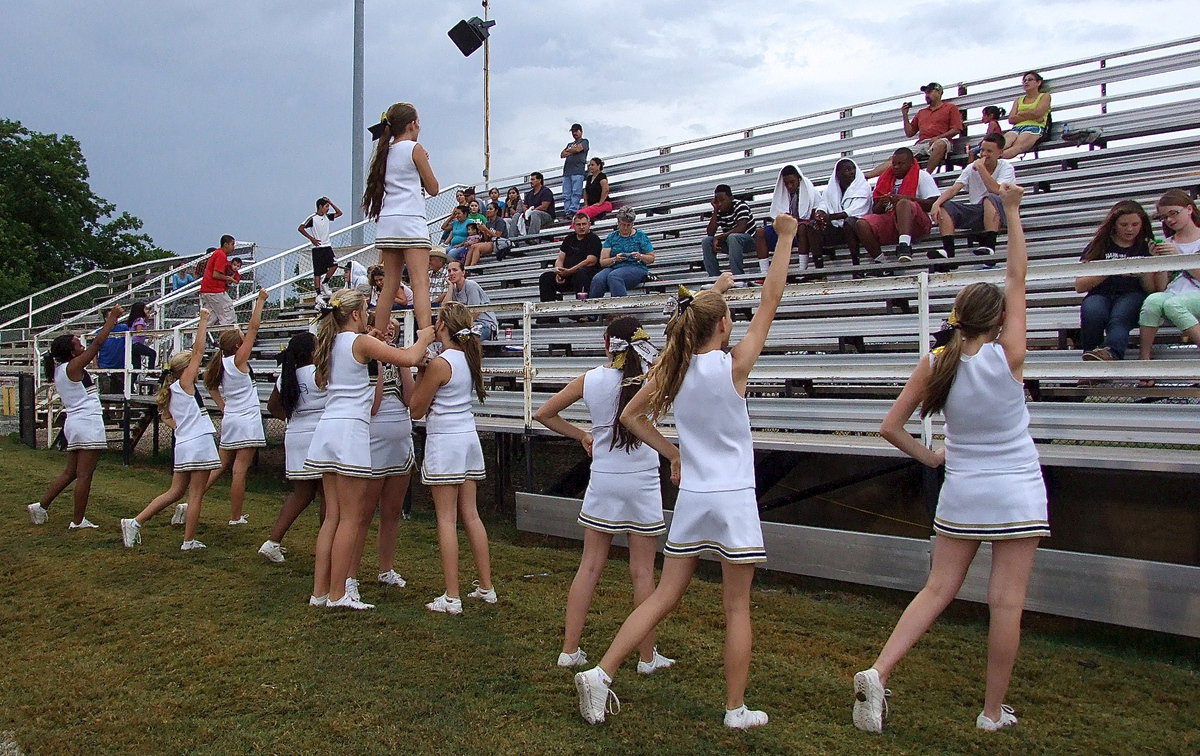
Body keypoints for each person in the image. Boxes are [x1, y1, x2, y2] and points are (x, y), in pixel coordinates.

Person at [573, 214, 799, 730]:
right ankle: (735, 708)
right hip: (734, 495)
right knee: (737, 607)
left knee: (665, 595)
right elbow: (771, 299)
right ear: (722, 326)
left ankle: (602, 670)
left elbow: (632, 417)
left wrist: (673, 453)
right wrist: (784, 238)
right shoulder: (734, 364)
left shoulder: (671, 369)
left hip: (694, 493)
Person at [852, 184, 1046, 736]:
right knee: (1005, 604)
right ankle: (991, 714)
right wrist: (1010, 211)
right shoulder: (1009, 354)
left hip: (962, 486)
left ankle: (880, 669)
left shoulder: (935, 361)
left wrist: (932, 458)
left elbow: (890, 428)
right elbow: (1017, 276)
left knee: (937, 590)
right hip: (1016, 489)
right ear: (998, 319)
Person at [534, 317, 675, 674]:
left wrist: (582, 434)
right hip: (641, 478)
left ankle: (569, 650)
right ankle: (646, 657)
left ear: (606, 343)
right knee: (642, 571)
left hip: (604, 478)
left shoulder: (591, 378)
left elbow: (544, 413)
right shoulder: (650, 379)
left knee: (590, 565)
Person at [304, 288, 434, 609]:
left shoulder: (333, 340)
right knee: (349, 518)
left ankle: (320, 592)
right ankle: (337, 594)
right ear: (358, 315)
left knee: (332, 518)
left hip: (328, 429)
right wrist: (425, 336)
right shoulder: (359, 342)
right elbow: (409, 357)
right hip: (350, 432)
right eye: (366, 309)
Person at [409, 301, 495, 614]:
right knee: (470, 514)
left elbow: (416, 408)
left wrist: (419, 372)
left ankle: (452, 596)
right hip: (468, 438)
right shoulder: (467, 357)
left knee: (446, 519)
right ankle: (486, 587)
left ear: (444, 326)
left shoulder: (441, 363)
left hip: (445, 441)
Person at [120, 310, 218, 551]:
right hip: (198, 442)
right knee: (195, 495)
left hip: (185, 442)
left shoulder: (172, 389)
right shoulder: (185, 384)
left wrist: (183, 427)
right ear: (186, 369)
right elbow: (198, 350)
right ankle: (188, 541)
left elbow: (166, 418)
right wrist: (203, 321)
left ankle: (135, 521)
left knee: (175, 492)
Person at [29, 305, 124, 529]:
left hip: (74, 422)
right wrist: (111, 320)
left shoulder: (60, 370)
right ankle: (78, 520)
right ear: (71, 352)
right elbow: (98, 344)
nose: (82, 345)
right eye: (78, 343)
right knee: (84, 475)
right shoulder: (73, 366)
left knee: (71, 472)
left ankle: (41, 506)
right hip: (87, 422)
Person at [363, 102, 440, 332]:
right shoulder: (414, 149)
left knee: (389, 285)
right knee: (420, 282)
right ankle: (425, 334)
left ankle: (377, 334)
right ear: (412, 124)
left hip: (388, 221)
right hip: (411, 220)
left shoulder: (384, 151)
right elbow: (434, 188)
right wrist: (424, 159)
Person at [198, 289, 270, 527]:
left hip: (232, 418)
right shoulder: (238, 360)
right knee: (239, 470)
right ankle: (235, 516)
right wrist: (259, 301)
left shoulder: (222, 363)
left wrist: (224, 407)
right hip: (246, 420)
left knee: (219, 466)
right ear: (238, 344)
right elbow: (254, 328)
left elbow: (212, 388)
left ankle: (191, 500)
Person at [258, 332, 327, 563]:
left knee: (302, 493)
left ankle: (273, 541)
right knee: (329, 495)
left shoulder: (287, 375)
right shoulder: (320, 372)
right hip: (319, 435)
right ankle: (327, 548)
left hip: (296, 434)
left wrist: (292, 418)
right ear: (311, 352)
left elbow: (273, 406)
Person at [364, 316, 417, 589]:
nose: (389, 333)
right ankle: (348, 576)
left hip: (400, 441)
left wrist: (402, 361)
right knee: (361, 513)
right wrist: (381, 358)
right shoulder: (364, 359)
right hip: (372, 440)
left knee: (392, 511)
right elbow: (372, 406)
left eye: (393, 330)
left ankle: (386, 568)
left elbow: (411, 400)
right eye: (386, 328)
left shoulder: (399, 359)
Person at [1075, 200, 1157, 361]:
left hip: (1133, 293)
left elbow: (1151, 290)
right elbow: (1080, 285)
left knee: (1121, 316)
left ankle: (1111, 353)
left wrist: (1145, 270)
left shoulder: (1146, 246)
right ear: (1114, 224)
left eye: (1135, 224)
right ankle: (1091, 357)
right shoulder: (1100, 245)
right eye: (1124, 224)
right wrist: (1110, 270)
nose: (1130, 229)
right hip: (1101, 293)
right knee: (1092, 311)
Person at [928, 134, 1016, 260]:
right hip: (978, 211)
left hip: (1001, 211)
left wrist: (981, 169)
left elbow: (996, 190)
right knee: (945, 205)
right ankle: (948, 251)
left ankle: (990, 246)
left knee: (989, 198)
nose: (984, 154)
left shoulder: (1006, 167)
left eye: (989, 151)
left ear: (1000, 152)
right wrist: (937, 203)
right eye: (982, 150)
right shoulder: (971, 168)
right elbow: (954, 188)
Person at [1138, 190, 1200, 362]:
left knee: (1173, 304)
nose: (1170, 220)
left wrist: (1179, 257)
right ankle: (1144, 358)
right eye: (1164, 217)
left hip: (1193, 294)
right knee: (1152, 301)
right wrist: (1159, 262)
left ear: (1189, 209)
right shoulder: (1168, 243)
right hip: (1176, 292)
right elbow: (1160, 288)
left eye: (1174, 213)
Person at [855, 148, 940, 263]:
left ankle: (904, 246)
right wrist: (882, 203)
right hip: (892, 221)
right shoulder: (884, 179)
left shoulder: (922, 175)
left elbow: (933, 203)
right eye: (894, 164)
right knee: (861, 223)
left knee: (903, 203)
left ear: (911, 163)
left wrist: (905, 198)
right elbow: (875, 210)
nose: (896, 167)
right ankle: (881, 261)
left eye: (901, 164)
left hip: (917, 222)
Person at [867, 83, 964, 178]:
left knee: (940, 144)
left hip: (941, 141)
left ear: (939, 92)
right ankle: (868, 175)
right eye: (926, 93)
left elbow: (956, 129)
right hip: (921, 144)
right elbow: (909, 133)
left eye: (929, 92)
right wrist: (905, 115)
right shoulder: (921, 112)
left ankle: (926, 176)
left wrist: (938, 137)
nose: (927, 95)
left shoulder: (950, 108)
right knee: (897, 156)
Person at [752, 165, 819, 273]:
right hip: (784, 229)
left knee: (802, 228)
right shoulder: (782, 194)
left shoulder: (811, 192)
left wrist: (795, 219)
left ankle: (802, 270)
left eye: (792, 182)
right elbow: (775, 217)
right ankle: (764, 273)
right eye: (786, 183)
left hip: (802, 229)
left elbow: (814, 214)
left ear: (799, 179)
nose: (789, 186)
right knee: (760, 232)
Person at [814, 158, 872, 265]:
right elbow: (823, 204)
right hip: (837, 230)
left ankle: (856, 263)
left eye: (853, 169)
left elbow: (855, 211)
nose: (852, 172)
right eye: (847, 170)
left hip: (858, 230)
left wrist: (830, 217)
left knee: (848, 222)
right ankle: (818, 267)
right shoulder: (829, 191)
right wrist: (820, 213)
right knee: (813, 225)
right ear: (838, 174)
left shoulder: (863, 187)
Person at [590, 207, 656, 299]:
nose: (625, 228)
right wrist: (615, 259)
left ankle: (620, 310)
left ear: (632, 224)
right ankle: (594, 309)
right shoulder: (612, 237)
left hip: (636, 267)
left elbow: (651, 258)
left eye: (628, 225)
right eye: (623, 225)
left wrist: (639, 256)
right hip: (615, 266)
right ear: (618, 223)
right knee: (598, 279)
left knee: (615, 276)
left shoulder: (640, 236)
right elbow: (603, 261)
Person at [539, 212, 600, 304]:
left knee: (581, 273)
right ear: (573, 226)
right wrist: (559, 273)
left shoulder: (594, 239)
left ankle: (582, 311)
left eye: (584, 224)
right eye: (578, 224)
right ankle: (548, 314)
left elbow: (591, 261)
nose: (581, 227)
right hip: (567, 276)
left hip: (585, 276)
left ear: (589, 225)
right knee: (545, 277)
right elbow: (560, 258)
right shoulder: (569, 239)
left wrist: (570, 271)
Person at [702, 185, 755, 278]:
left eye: (722, 200)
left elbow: (741, 229)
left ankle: (738, 277)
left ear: (731, 198)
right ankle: (714, 277)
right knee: (707, 241)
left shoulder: (740, 205)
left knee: (733, 237)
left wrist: (718, 237)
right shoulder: (719, 210)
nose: (720, 204)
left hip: (750, 241)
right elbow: (710, 232)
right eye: (717, 202)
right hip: (731, 244)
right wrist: (715, 210)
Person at [299, 197, 344, 300]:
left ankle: (325, 282)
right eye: (326, 206)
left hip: (327, 246)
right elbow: (301, 228)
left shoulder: (327, 217)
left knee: (334, 265)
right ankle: (318, 293)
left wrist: (330, 202)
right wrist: (312, 239)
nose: (328, 209)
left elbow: (339, 213)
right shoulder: (313, 218)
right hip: (317, 248)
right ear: (320, 206)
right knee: (318, 272)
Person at [441, 261, 498, 340]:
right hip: (466, 326)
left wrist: (459, 326)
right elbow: (444, 309)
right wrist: (450, 287)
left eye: (455, 270)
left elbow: (475, 312)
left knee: (464, 338)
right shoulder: (454, 289)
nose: (451, 273)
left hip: (484, 325)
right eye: (449, 271)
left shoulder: (471, 285)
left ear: (463, 272)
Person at [1002, 72, 1052, 160]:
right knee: (1001, 145)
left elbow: (1038, 113)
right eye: (1024, 80)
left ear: (1038, 83)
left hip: (1034, 127)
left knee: (1018, 146)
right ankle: (990, 161)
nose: (1026, 82)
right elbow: (1011, 119)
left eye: (1030, 80)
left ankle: (993, 161)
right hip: (1016, 128)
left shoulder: (1044, 96)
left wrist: (1021, 114)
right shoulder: (1018, 100)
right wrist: (1031, 114)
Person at [199, 235, 238, 327]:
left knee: (209, 318)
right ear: (225, 244)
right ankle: (227, 339)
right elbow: (216, 274)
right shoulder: (221, 255)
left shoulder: (217, 253)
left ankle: (197, 337)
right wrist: (228, 278)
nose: (233, 247)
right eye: (232, 244)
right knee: (228, 315)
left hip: (207, 290)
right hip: (214, 290)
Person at [464, 202, 512, 266]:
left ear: (496, 211)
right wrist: (483, 231)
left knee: (477, 247)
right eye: (487, 209)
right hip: (490, 242)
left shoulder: (500, 221)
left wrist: (486, 229)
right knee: (472, 246)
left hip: (499, 243)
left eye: (490, 209)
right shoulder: (488, 223)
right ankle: (466, 267)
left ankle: (472, 266)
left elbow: (497, 236)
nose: (488, 211)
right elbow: (486, 238)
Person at [561, 123, 590, 216]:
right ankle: (567, 211)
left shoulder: (585, 141)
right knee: (566, 194)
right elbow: (562, 154)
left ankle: (573, 211)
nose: (574, 133)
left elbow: (578, 149)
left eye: (576, 131)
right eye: (573, 131)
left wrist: (570, 151)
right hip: (567, 172)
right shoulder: (570, 144)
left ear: (581, 131)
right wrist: (573, 150)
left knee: (576, 192)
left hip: (578, 171)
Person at [520, 172, 556, 238]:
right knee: (517, 216)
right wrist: (525, 210)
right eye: (531, 180)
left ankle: (532, 238)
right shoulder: (529, 194)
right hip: (531, 216)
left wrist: (531, 211)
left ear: (539, 180)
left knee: (535, 213)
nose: (531, 181)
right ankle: (513, 241)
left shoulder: (546, 191)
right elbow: (525, 205)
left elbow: (544, 206)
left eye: (533, 179)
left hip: (546, 217)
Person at [126, 302, 158, 371]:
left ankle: (131, 381)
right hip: (137, 344)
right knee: (152, 353)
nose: (147, 311)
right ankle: (151, 372)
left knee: (137, 367)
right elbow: (139, 331)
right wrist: (152, 334)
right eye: (145, 309)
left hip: (132, 345)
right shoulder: (140, 319)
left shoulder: (134, 320)